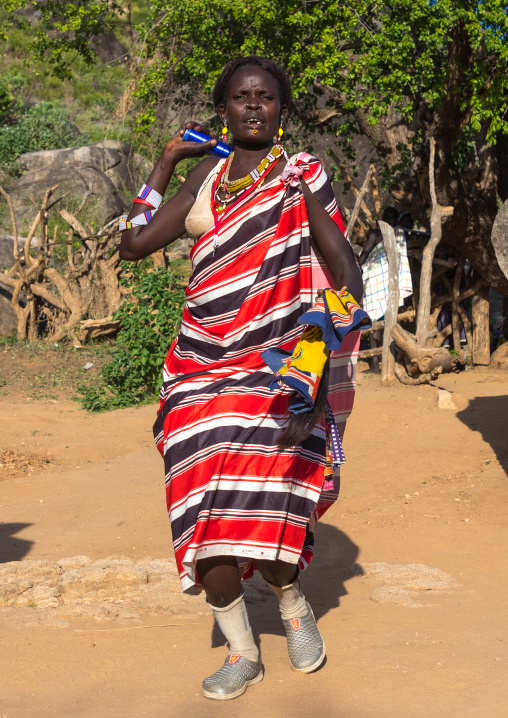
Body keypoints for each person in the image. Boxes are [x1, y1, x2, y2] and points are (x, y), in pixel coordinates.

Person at [119, 56, 363, 701]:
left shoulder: (302, 174)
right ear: (223, 108)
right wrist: (165, 162)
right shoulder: (204, 177)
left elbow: (343, 264)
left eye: (265, 98)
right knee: (198, 511)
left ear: (281, 109)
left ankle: (288, 597)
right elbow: (134, 245)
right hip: (196, 370)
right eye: (239, 97)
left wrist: (319, 361)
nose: (253, 106)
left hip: (275, 367)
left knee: (265, 505)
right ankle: (241, 652)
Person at [359, 207, 413, 372]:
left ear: (381, 220)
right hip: (391, 281)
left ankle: (375, 365)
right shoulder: (399, 235)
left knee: (373, 318)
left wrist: (356, 266)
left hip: (375, 280)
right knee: (389, 320)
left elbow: (366, 253)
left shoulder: (376, 234)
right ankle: (391, 361)